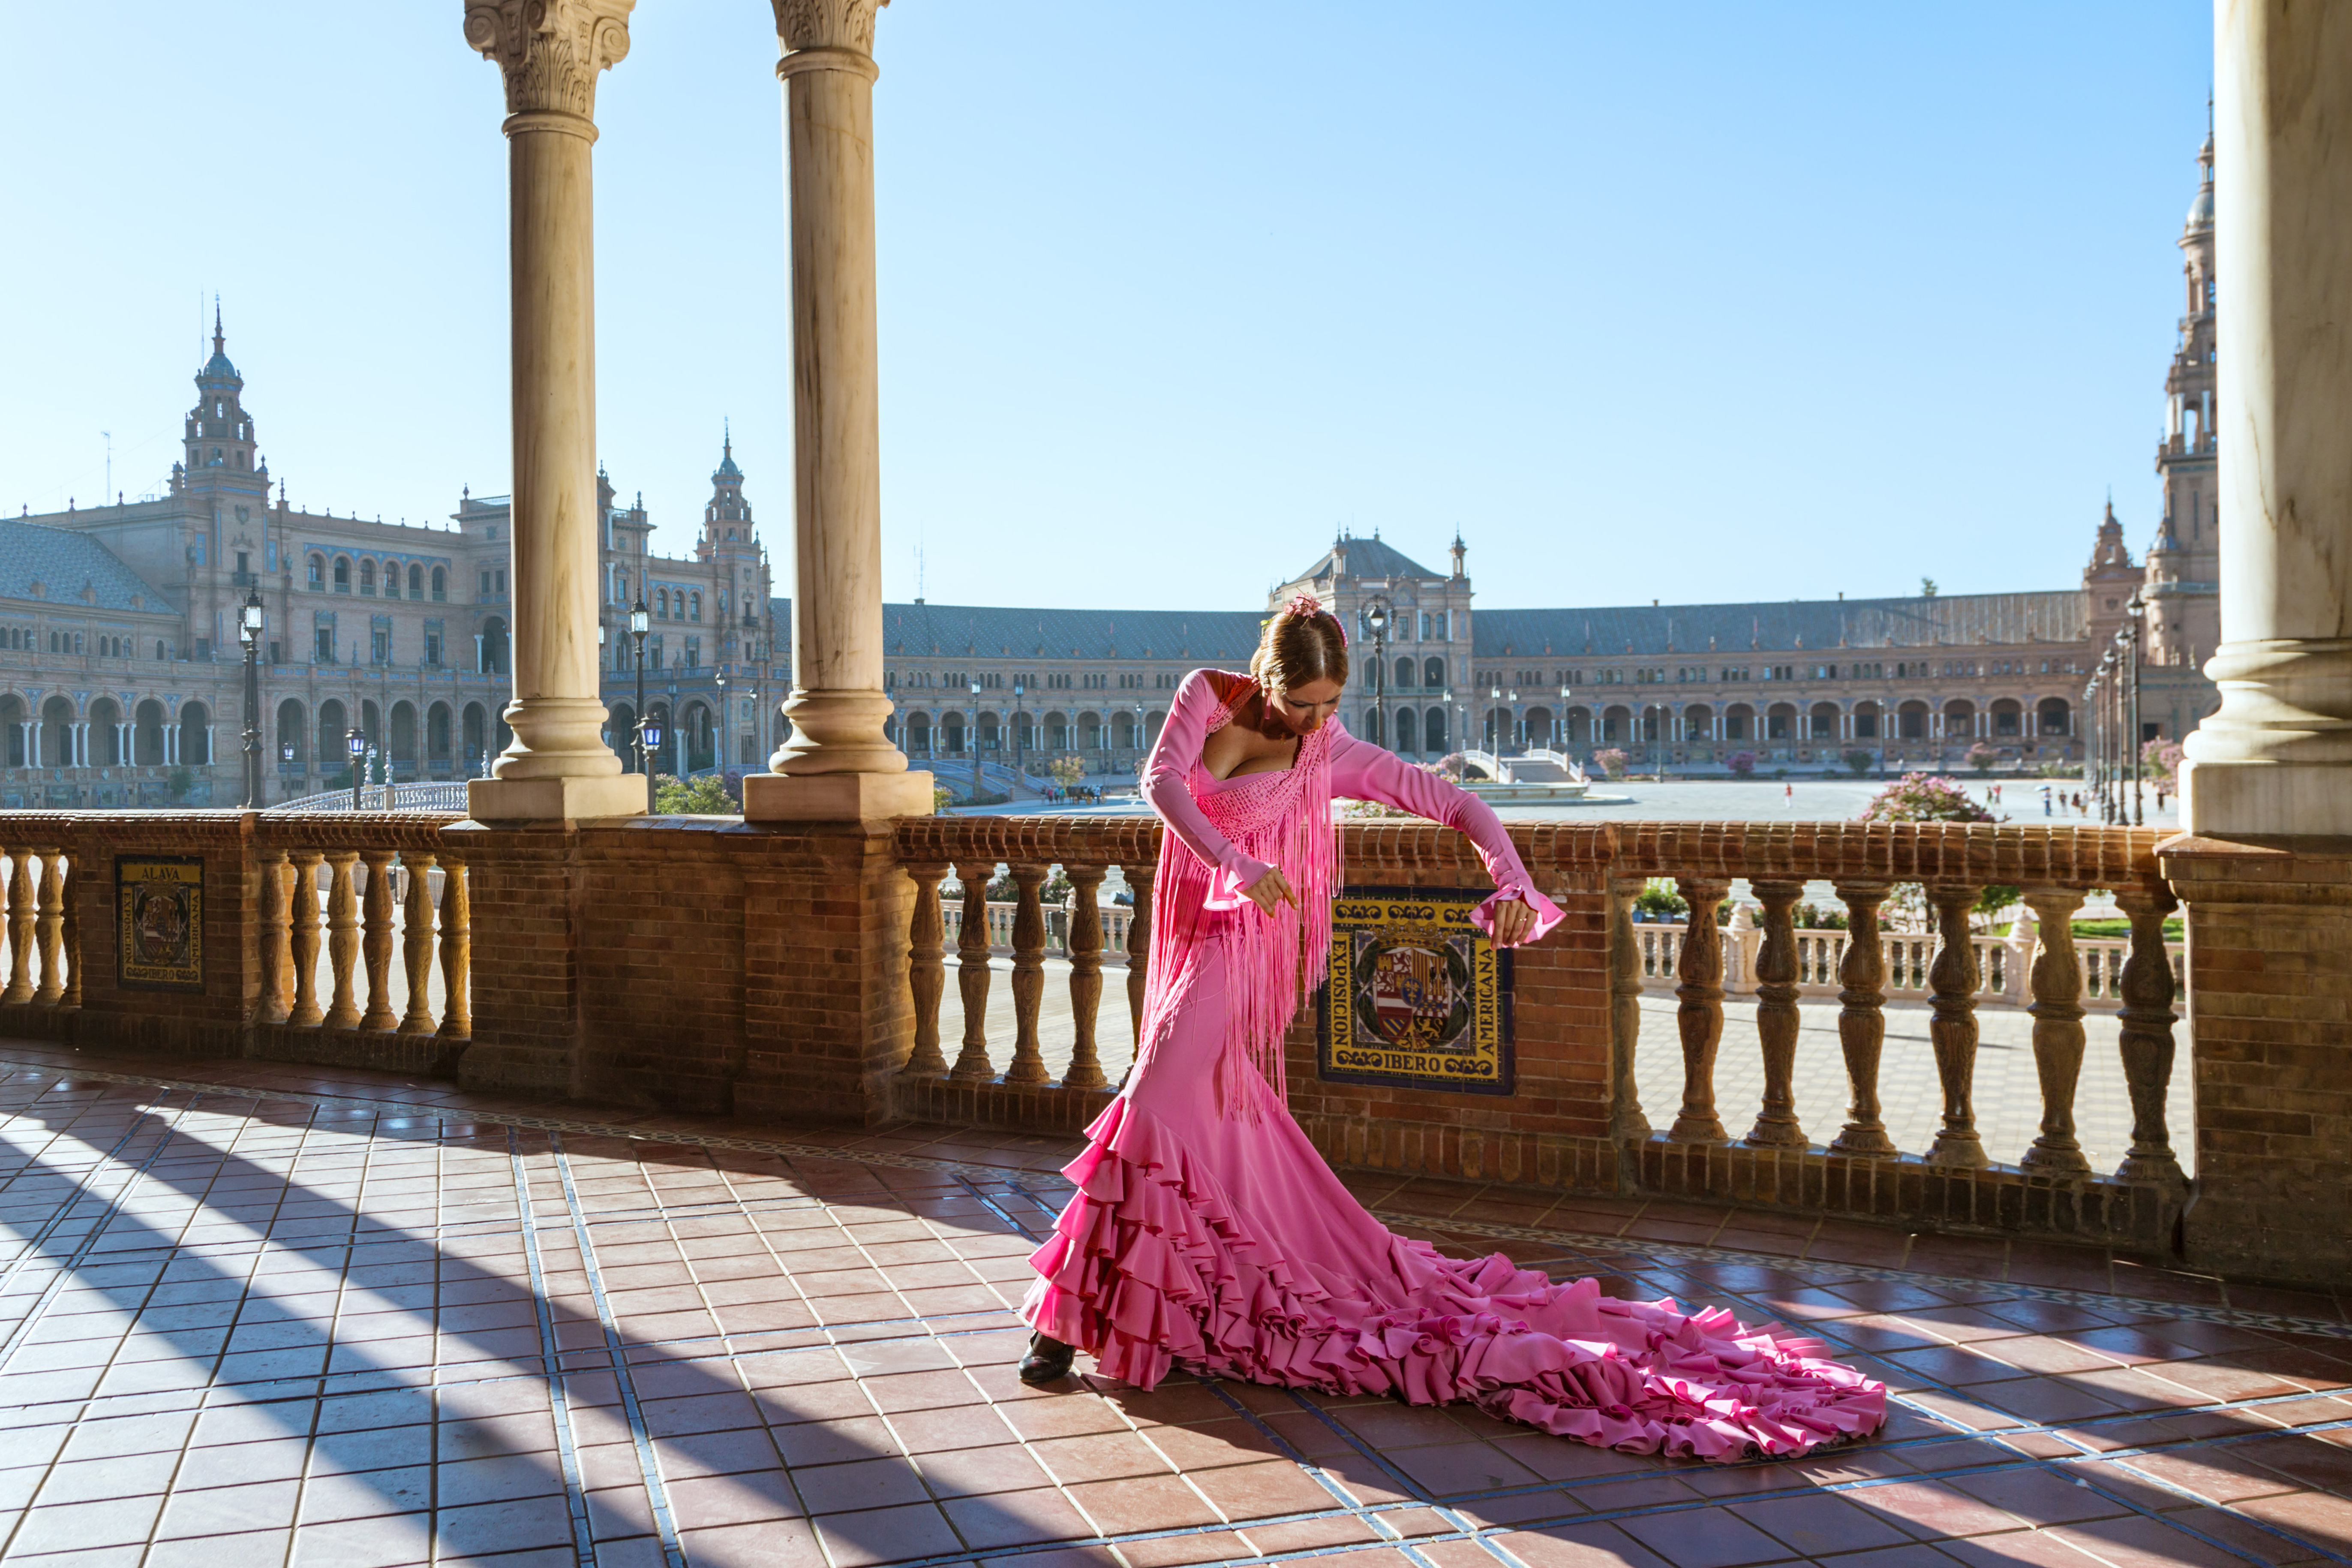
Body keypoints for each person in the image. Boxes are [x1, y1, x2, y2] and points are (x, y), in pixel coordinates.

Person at [1017, 596, 1884, 1460]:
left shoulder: (1335, 752)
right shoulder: (1203, 695)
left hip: (1254, 937)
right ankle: (1167, 1300)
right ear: (1264, 676)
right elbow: (1161, 784)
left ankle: (1067, 1319)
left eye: (1330, 704)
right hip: (1205, 913)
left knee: (1153, 1098)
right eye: (1299, 703)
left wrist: (1508, 877)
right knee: (1189, 1112)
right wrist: (1238, 862)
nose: (1316, 721)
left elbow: (1455, 803)